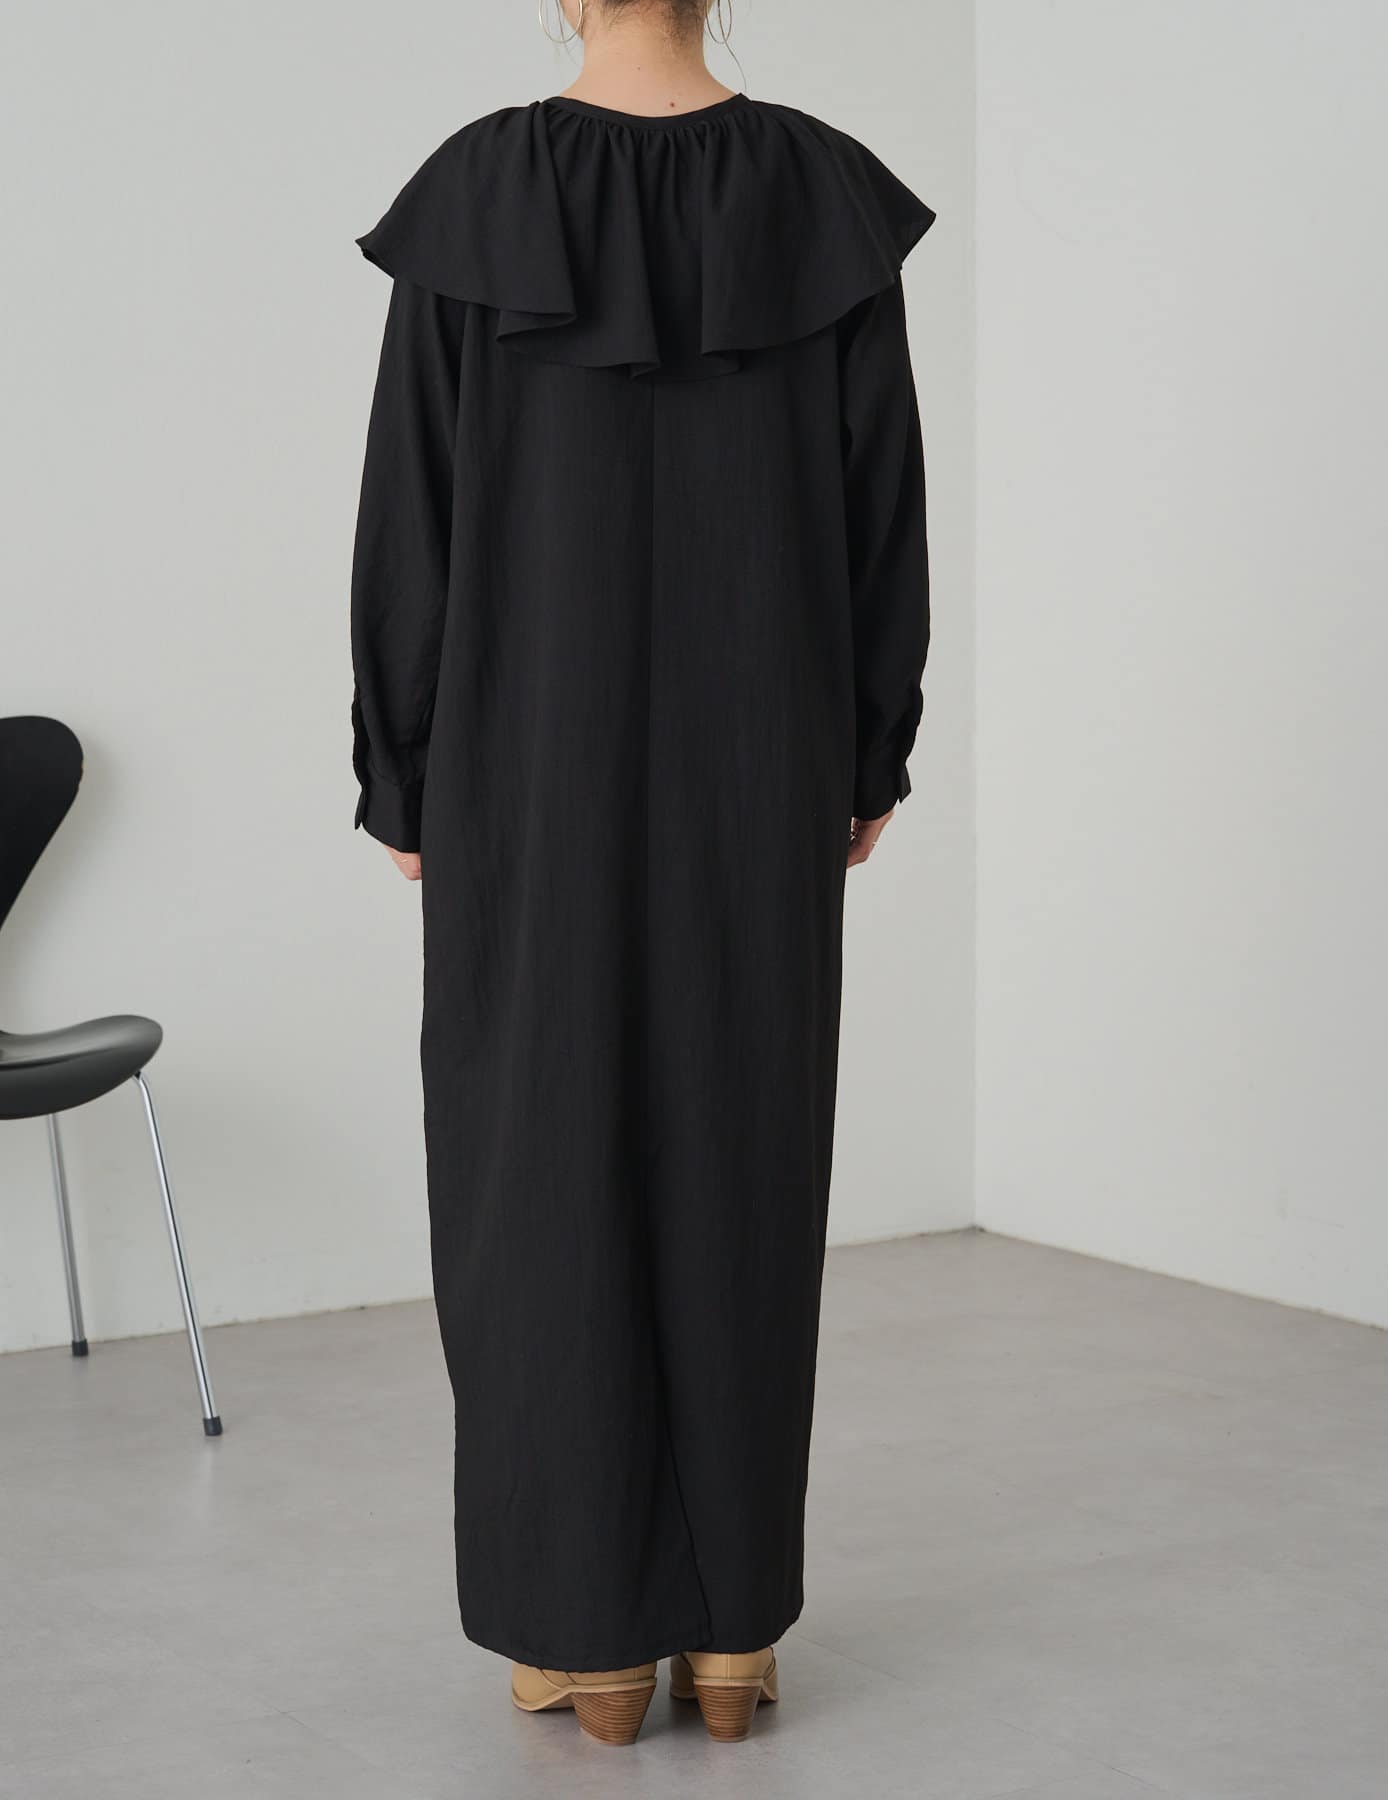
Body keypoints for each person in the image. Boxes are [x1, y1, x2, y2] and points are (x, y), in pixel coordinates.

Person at [349, 0, 932, 1749]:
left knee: (538, 1168)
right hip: (763, 757)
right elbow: (881, 511)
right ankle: (733, 1632)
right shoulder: (820, 192)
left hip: (527, 765)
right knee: (743, 1154)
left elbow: (412, 511)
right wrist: (865, 751)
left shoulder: (479, 192)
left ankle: (589, 1634)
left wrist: (402, 769)